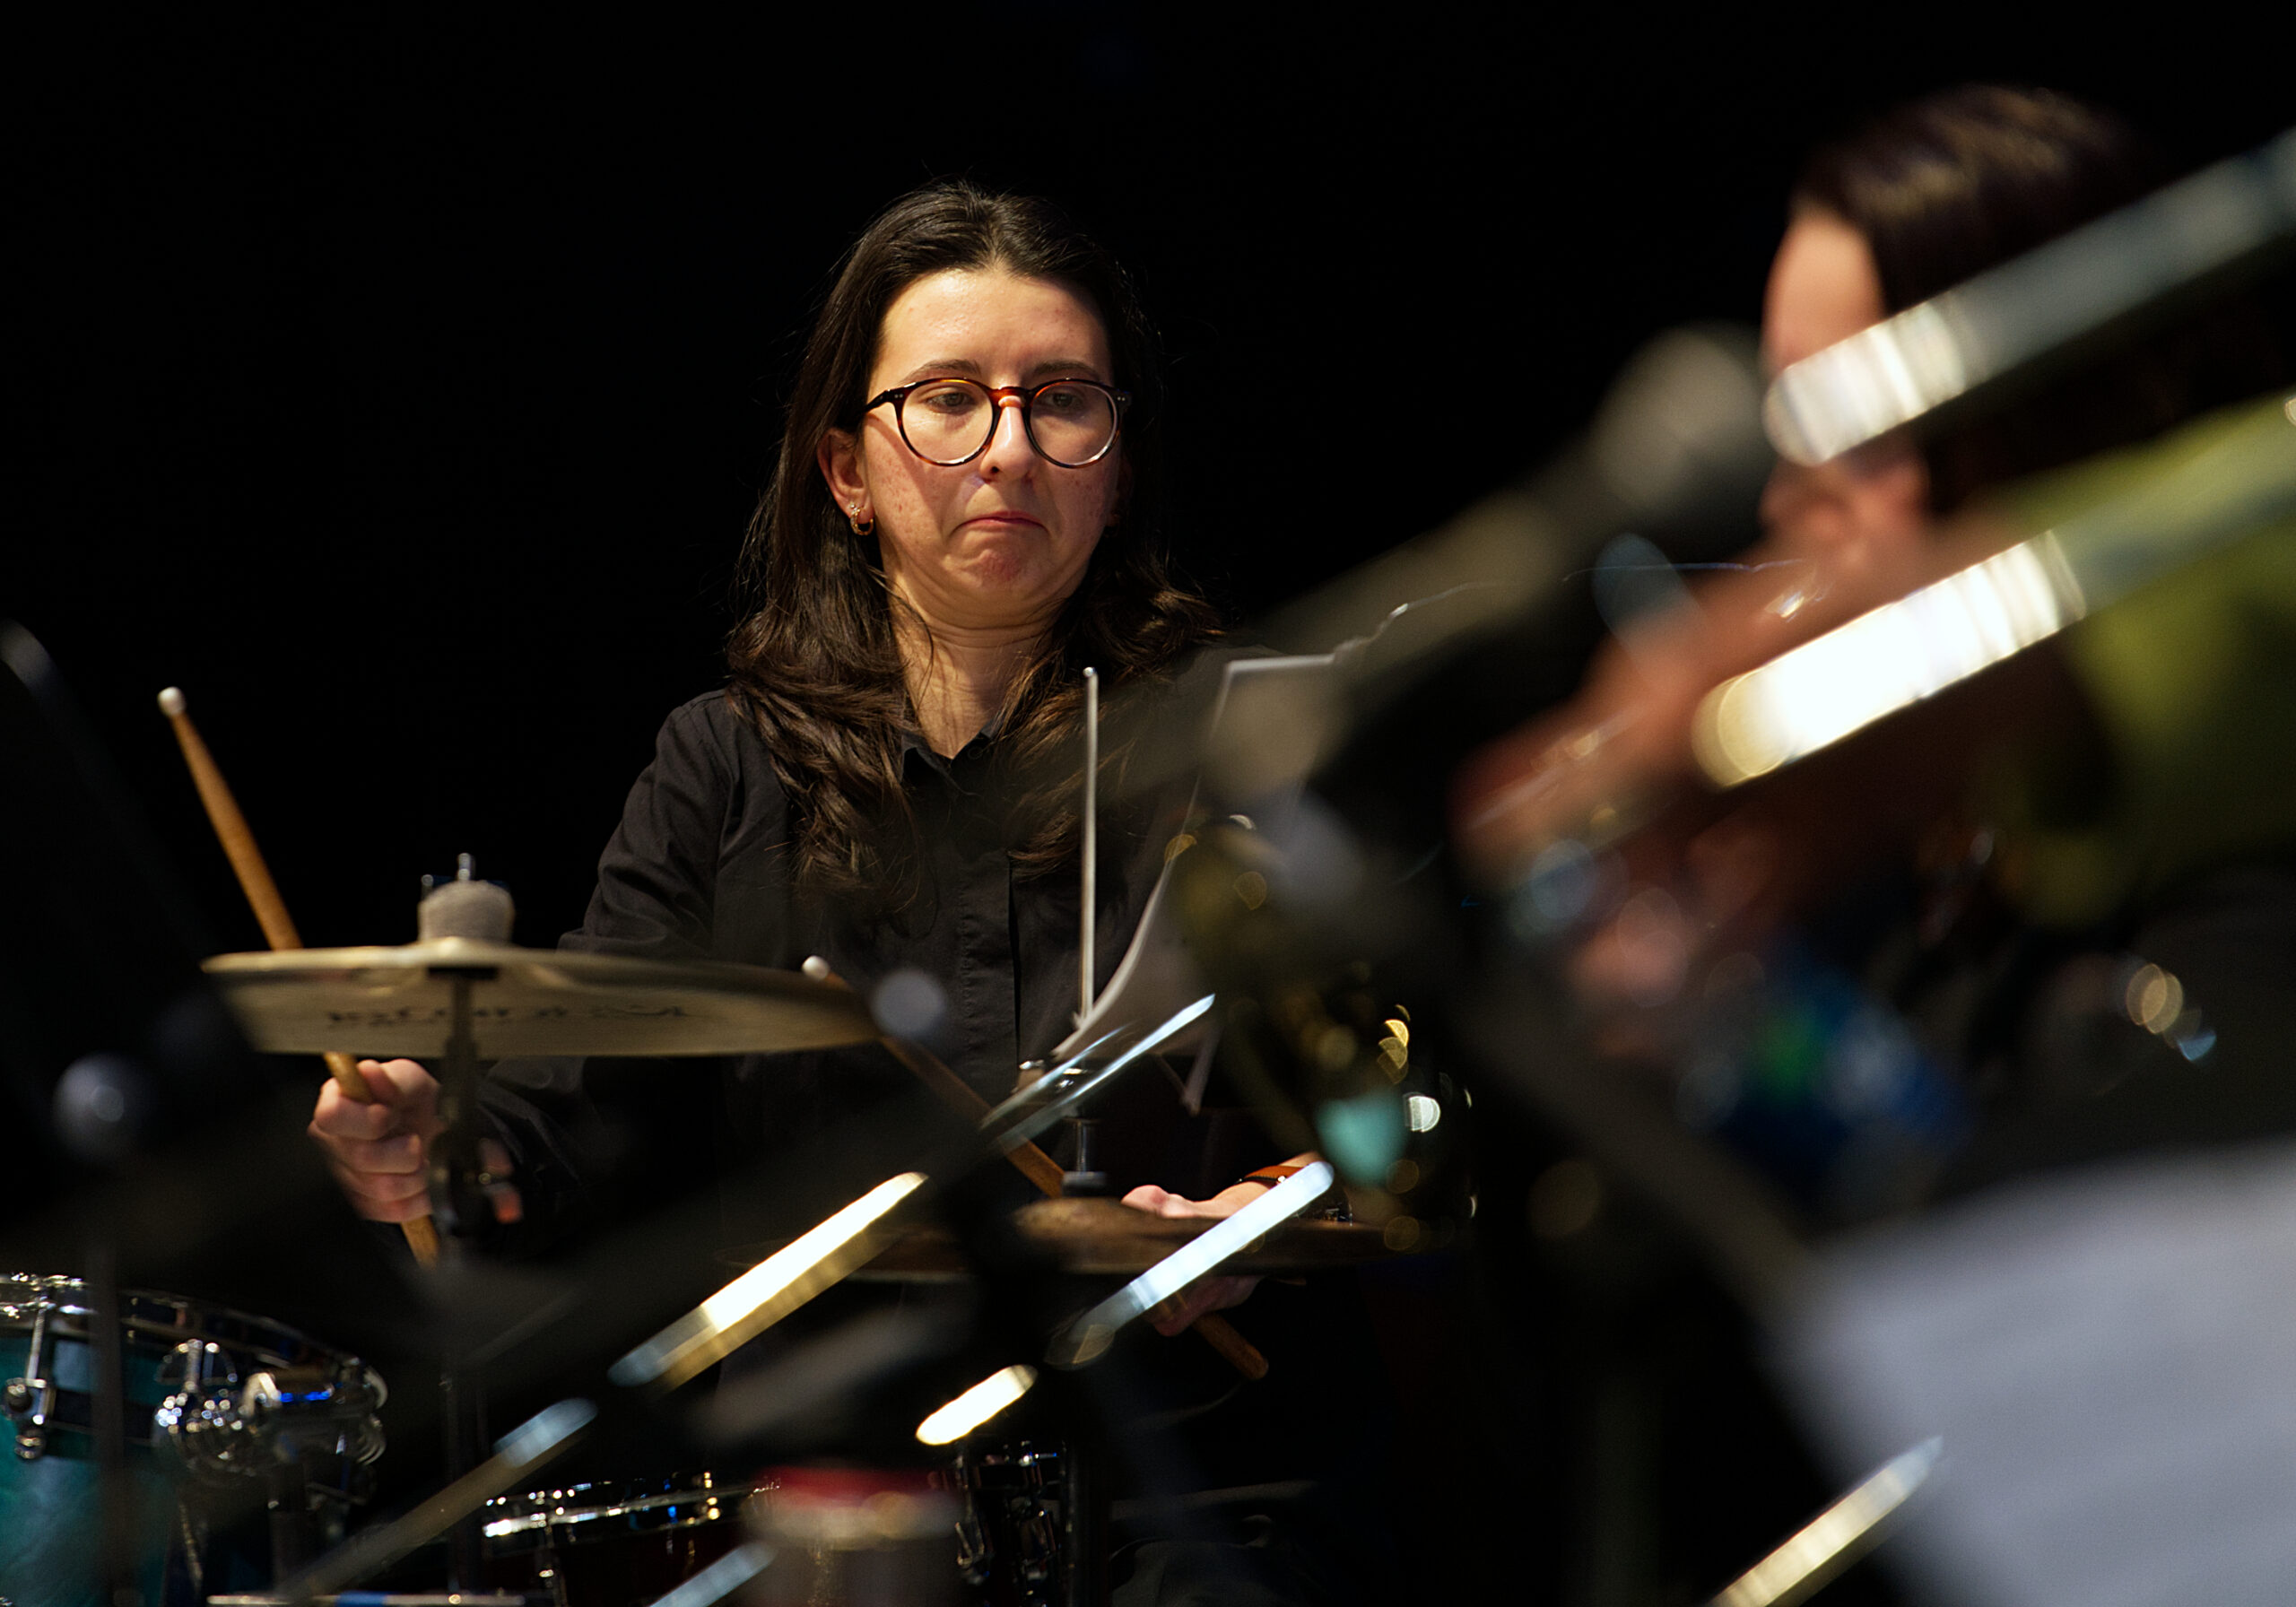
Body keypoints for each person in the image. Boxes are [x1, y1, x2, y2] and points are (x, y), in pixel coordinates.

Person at [306, 181, 1376, 1604]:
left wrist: (1264, 1208)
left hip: (1185, 1489)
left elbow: (1390, 1102)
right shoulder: (723, 766)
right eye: (949, 400)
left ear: (1116, 465)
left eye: (1062, 401)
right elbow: (564, 1110)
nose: (1009, 448)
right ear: (847, 472)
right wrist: (442, 1145)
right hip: (824, 1498)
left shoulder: (1233, 745)